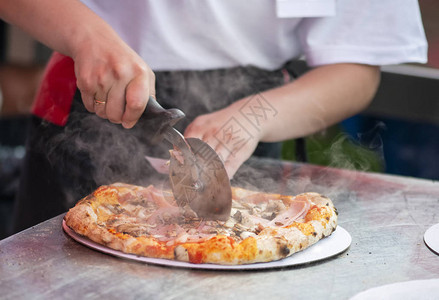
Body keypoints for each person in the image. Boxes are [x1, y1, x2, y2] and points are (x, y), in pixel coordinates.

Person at [0, 0, 427, 232]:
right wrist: (87, 35)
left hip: (255, 120)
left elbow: (357, 68)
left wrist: (256, 116)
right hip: (91, 98)